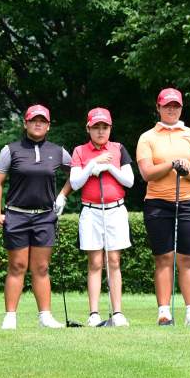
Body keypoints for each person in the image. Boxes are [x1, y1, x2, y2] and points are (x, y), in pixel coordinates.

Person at [0, 104, 74, 329]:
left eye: (43, 121)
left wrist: (63, 195)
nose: (38, 124)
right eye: (34, 120)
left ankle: (44, 317)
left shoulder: (58, 151)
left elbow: (76, 173)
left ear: (48, 125)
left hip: (45, 217)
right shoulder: (11, 149)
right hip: (16, 215)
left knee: (41, 268)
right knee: (17, 266)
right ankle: (10, 318)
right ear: (25, 123)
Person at [136, 88, 190, 325]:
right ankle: (164, 312)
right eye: (167, 105)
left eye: (176, 105)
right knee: (163, 258)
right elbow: (147, 173)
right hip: (157, 204)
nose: (172, 109)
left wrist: (186, 171)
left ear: (181, 107)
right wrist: (171, 164)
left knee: (188, 259)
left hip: (189, 202)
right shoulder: (147, 137)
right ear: (158, 108)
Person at [70, 108, 134, 327]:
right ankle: (94, 313)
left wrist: (108, 167)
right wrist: (93, 164)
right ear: (88, 128)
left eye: (104, 127)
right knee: (95, 261)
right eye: (95, 127)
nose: (100, 131)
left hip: (116, 210)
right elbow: (76, 183)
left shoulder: (119, 149)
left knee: (114, 260)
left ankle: (117, 313)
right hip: (91, 211)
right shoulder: (79, 151)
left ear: (110, 128)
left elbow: (129, 181)